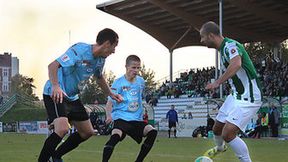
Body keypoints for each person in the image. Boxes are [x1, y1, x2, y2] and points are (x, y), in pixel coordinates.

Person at [38, 28, 123, 162]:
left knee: (87, 132)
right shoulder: (79, 50)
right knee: (63, 129)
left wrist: (110, 94)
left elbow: (99, 77)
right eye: (114, 46)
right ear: (107, 44)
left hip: (73, 97)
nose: (114, 51)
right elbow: (53, 66)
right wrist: (56, 86)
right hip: (56, 93)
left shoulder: (100, 60)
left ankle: (56, 155)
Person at [199, 21, 263, 162]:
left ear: (210, 35)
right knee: (216, 129)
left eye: (202, 37)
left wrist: (217, 82)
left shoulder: (230, 45)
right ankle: (220, 148)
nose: (201, 40)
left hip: (249, 96)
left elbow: (236, 64)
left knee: (227, 133)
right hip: (236, 96)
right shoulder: (222, 50)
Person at [102, 55, 157, 162]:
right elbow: (109, 102)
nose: (136, 70)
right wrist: (108, 116)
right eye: (133, 67)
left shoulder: (141, 82)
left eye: (138, 68)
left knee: (152, 132)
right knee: (115, 137)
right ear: (126, 67)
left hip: (136, 119)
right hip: (121, 118)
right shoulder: (118, 83)